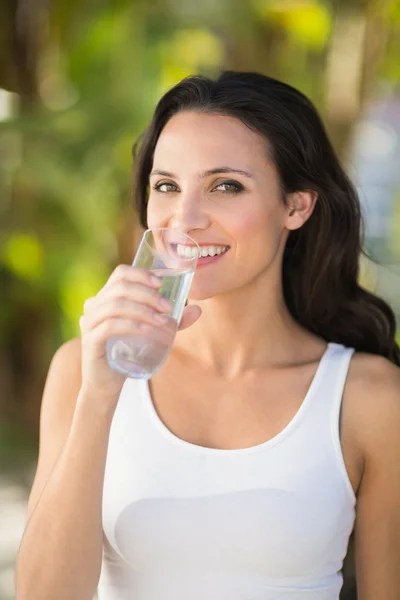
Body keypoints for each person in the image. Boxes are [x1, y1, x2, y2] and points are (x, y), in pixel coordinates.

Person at [15, 71, 400, 600]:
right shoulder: (82, 370)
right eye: (167, 186)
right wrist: (100, 394)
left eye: (226, 186)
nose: (184, 218)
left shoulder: (368, 398)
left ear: (296, 206)